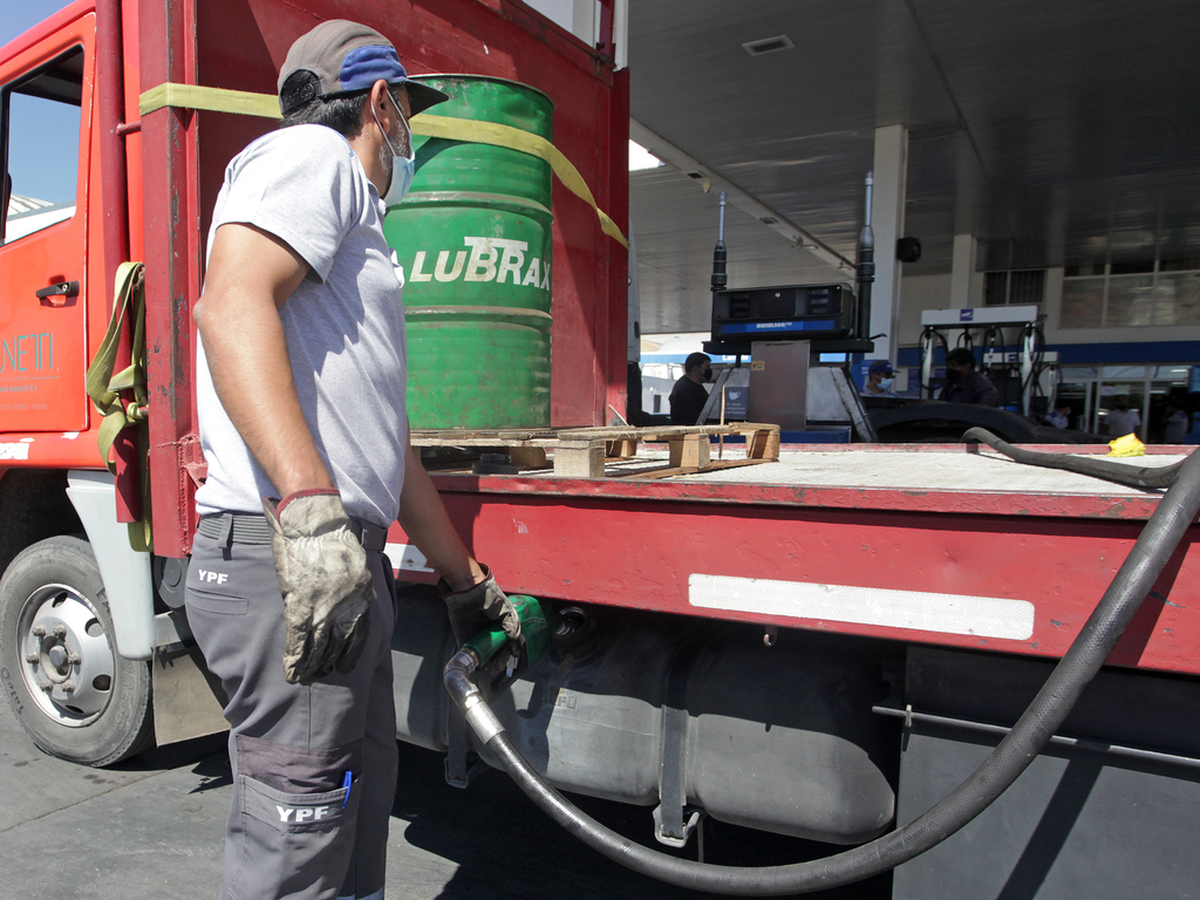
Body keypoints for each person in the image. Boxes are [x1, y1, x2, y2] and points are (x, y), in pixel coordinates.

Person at [184, 21, 522, 900]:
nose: (409, 135)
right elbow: (228, 306)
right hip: (288, 559)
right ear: (380, 102)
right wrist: (306, 506)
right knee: (299, 837)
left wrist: (464, 580)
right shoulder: (314, 159)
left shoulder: (354, 233)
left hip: (338, 560)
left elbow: (386, 444)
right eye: (408, 112)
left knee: (349, 816)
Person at [669, 351, 712, 424]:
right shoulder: (685, 389)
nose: (709, 371)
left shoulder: (695, 386)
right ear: (696, 368)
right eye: (707, 367)